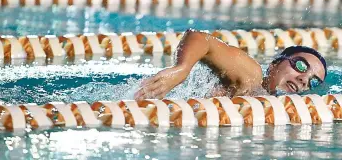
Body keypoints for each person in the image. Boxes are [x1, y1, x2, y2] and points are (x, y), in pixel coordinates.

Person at [134, 29, 327, 100]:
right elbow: (201, 39)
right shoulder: (252, 78)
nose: (304, 80)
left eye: (314, 82)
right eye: (301, 66)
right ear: (275, 64)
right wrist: (182, 68)